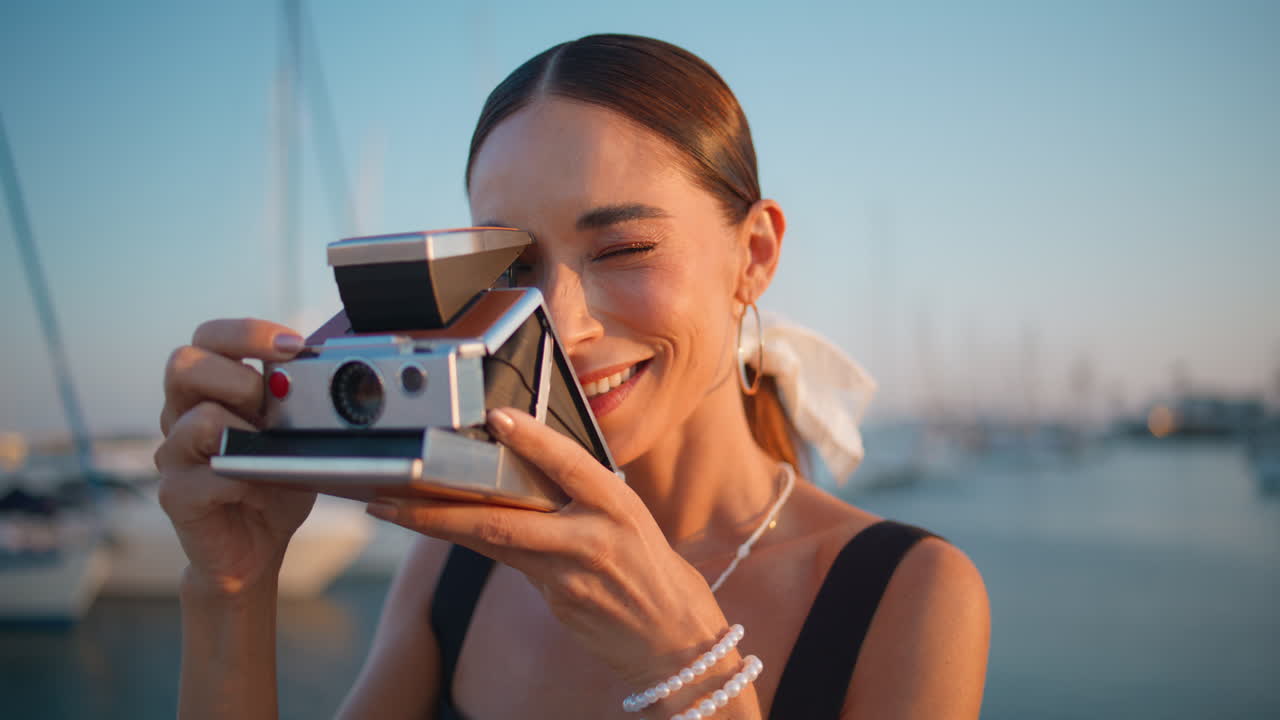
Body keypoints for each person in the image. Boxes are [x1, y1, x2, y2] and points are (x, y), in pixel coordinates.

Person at [155, 34, 989, 720]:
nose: (558, 318)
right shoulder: (462, 560)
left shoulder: (903, 597)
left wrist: (693, 668)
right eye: (511, 266)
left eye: (624, 251)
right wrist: (232, 585)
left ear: (754, 255)